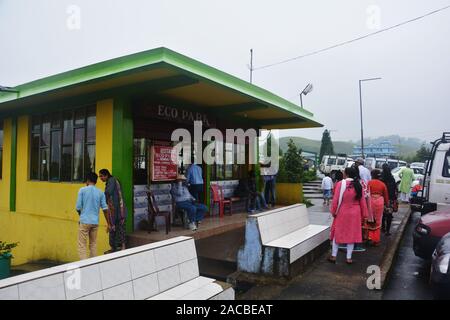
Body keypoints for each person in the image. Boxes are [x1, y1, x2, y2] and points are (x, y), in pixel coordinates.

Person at [328, 167, 368, 264]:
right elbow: (362, 202)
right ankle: (349, 258)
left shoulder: (340, 184)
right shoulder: (358, 185)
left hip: (342, 211)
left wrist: (333, 212)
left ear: (346, 174)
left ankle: (334, 256)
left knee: (338, 233)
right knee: (352, 234)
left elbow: (336, 200)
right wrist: (364, 215)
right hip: (356, 212)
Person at [76, 172, 109, 260]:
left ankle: (84, 264)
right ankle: (92, 264)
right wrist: (108, 223)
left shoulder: (82, 190)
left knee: (82, 245)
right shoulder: (100, 192)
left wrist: (81, 215)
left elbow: (78, 207)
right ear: (96, 181)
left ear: (87, 180)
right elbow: (105, 208)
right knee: (93, 244)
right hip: (95, 222)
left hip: (84, 221)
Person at [99, 169, 127, 253]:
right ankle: (115, 247)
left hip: (116, 209)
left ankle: (121, 246)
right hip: (116, 209)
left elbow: (108, 192)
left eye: (101, 176)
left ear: (106, 175)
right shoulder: (113, 181)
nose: (100, 178)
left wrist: (101, 198)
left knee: (117, 227)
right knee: (115, 228)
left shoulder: (111, 181)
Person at [366, 169, 389, 246]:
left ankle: (369, 237)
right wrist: (387, 205)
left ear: (372, 175)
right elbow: (386, 196)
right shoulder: (383, 184)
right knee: (378, 220)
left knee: (370, 219)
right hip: (380, 201)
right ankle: (376, 240)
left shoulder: (369, 183)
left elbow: (366, 193)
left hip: (370, 201)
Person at [380, 164, 398, 236]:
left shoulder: (381, 179)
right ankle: (387, 231)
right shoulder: (392, 178)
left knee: (383, 215)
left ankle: (383, 228)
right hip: (390, 199)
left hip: (382, 199)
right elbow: (395, 190)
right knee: (389, 215)